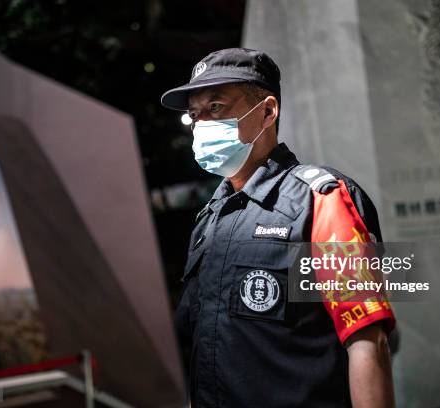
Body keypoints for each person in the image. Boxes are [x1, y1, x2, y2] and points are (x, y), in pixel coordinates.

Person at [161, 48, 396, 408]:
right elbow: (203, 346)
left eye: (216, 108)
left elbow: (368, 342)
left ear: (267, 112)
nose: (201, 124)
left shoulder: (320, 200)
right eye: (194, 115)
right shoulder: (209, 219)